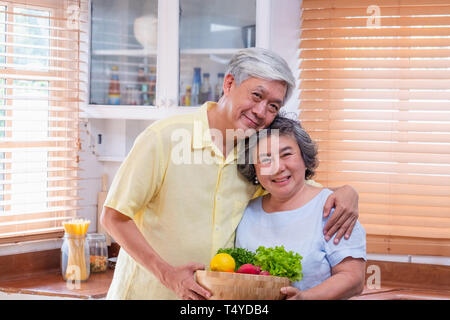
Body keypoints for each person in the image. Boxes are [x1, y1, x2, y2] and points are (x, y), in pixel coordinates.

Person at [100, 48, 360, 300]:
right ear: (229, 83)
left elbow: (299, 187)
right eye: (256, 96)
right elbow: (113, 217)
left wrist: (347, 192)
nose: (261, 112)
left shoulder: (256, 156)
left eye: (273, 106)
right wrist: (168, 275)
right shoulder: (163, 139)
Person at [235, 115, 366, 300]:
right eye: (265, 159)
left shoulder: (333, 208)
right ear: (254, 169)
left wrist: (304, 298)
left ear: (304, 158)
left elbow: (353, 278)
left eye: (286, 154)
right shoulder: (246, 212)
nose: (277, 167)